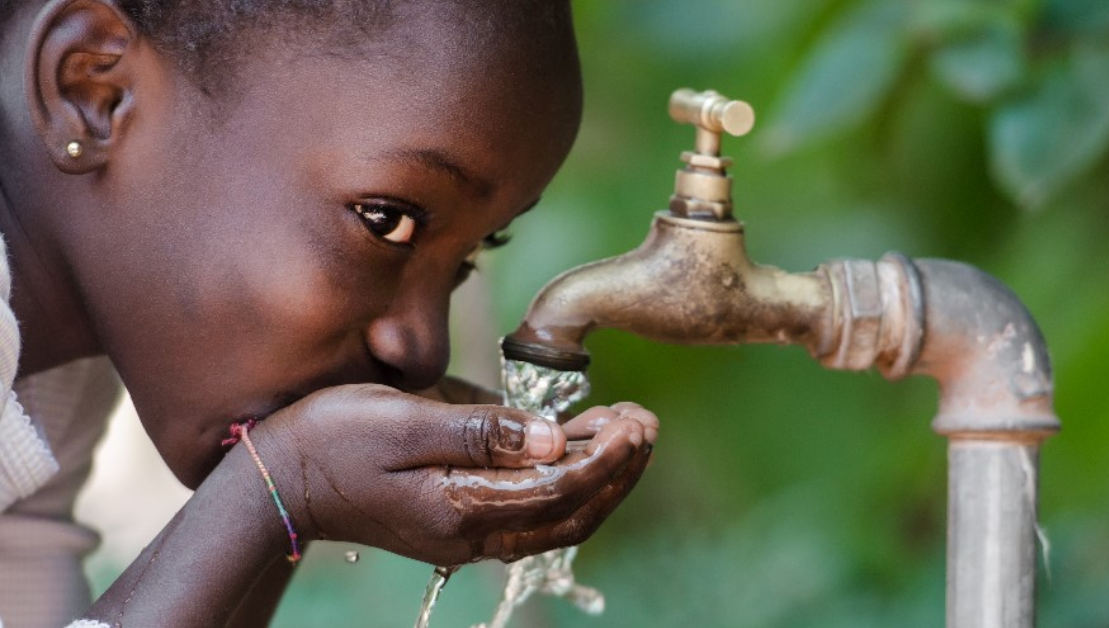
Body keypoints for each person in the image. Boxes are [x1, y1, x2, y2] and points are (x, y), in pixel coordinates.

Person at [0, 0, 660, 625]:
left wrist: (290, 494)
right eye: (387, 220)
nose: (420, 348)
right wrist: (276, 488)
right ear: (94, 93)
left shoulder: (48, 376)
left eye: (471, 254)